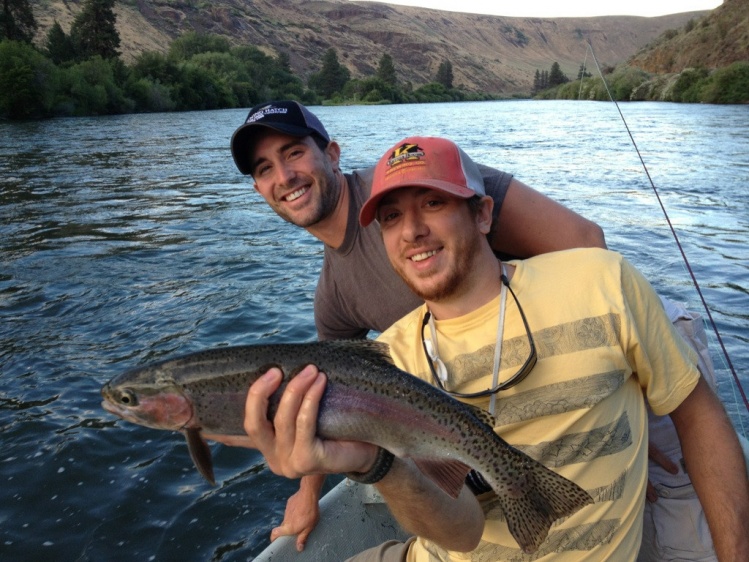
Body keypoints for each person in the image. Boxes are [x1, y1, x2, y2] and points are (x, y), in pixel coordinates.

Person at [225, 136, 749, 560]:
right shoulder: (387, 351)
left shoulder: (600, 282)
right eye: (390, 218)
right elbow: (460, 532)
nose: (411, 231)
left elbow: (587, 247)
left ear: (482, 214)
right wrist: (357, 469)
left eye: (434, 202)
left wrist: (623, 392)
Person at [229, 100, 606, 549]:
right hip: (479, 429)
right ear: (258, 189)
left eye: (293, 153)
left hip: (571, 383)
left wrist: (612, 390)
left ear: (331, 154)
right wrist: (306, 491)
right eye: (264, 168)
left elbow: (585, 245)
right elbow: (329, 391)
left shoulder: (408, 179)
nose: (284, 177)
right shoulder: (333, 297)